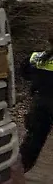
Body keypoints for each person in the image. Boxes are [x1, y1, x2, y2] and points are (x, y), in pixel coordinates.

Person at [21, 39, 53, 171]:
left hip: (40, 103)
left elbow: (24, 72)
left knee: (33, 140)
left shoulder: (37, 57)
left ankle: (21, 167)